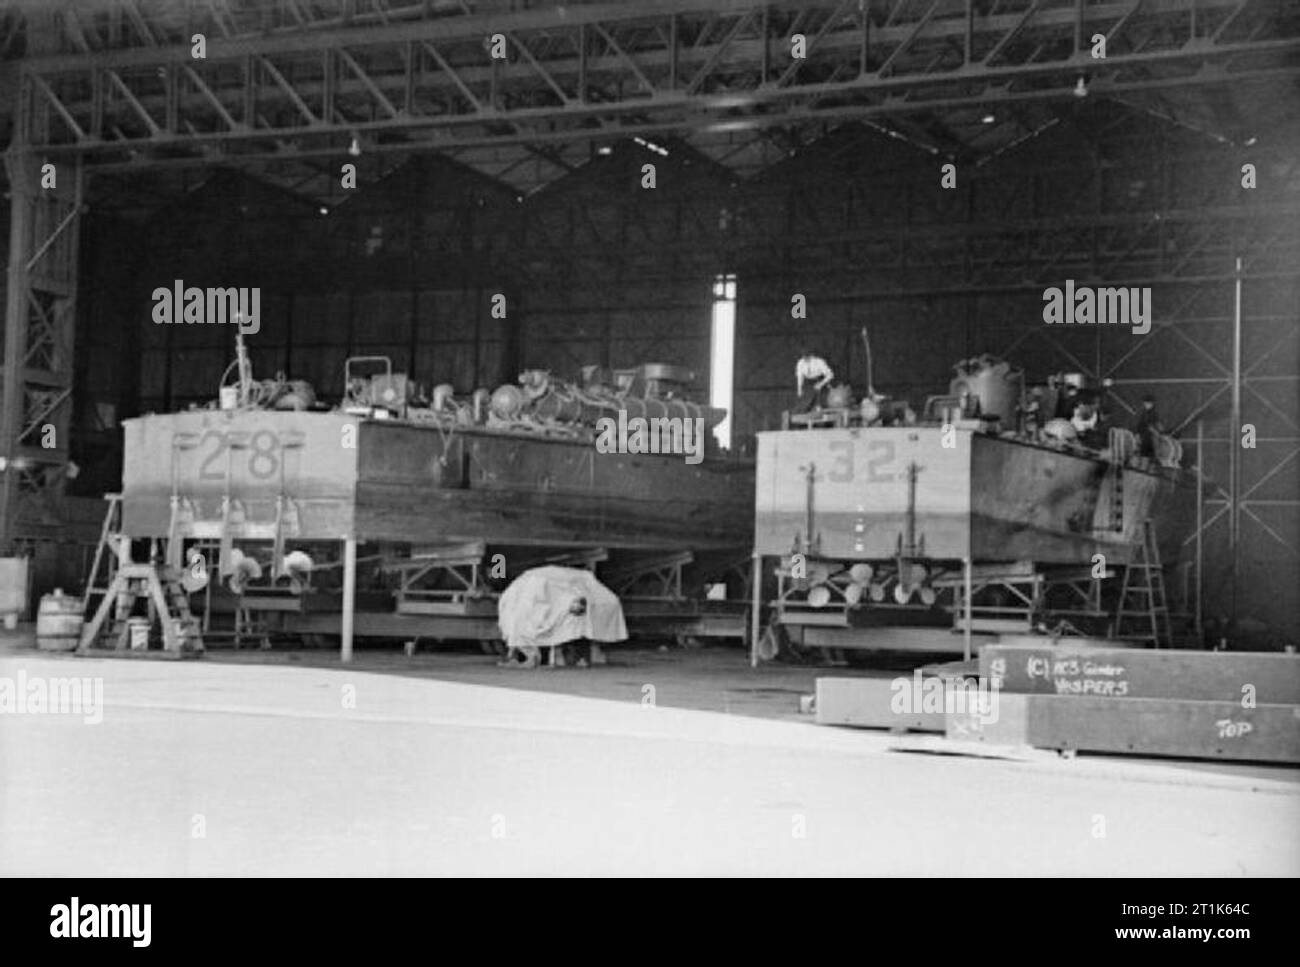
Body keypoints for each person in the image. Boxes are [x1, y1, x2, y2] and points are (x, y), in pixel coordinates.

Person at [1132, 393, 1163, 459]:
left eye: (1147, 403)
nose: (1145, 405)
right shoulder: (1144, 413)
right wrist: (1137, 433)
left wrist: (1156, 431)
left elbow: (1158, 425)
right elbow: (1140, 424)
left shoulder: (1154, 413)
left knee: (1148, 453)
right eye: (1145, 403)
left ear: (1152, 404)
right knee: (1144, 453)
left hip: (1150, 437)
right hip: (1145, 436)